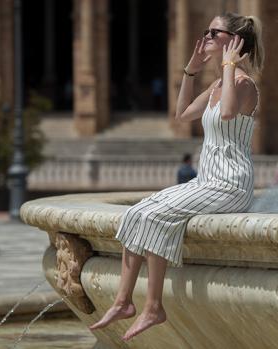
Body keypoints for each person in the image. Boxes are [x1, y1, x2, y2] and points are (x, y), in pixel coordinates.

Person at [89, 12, 264, 340]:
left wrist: (228, 66)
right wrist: (190, 71)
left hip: (230, 184)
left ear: (235, 41)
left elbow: (227, 113)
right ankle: (124, 301)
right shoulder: (216, 85)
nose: (207, 37)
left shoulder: (242, 84)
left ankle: (153, 307)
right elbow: (181, 114)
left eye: (215, 32)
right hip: (205, 181)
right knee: (137, 212)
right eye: (207, 31)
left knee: (156, 215)